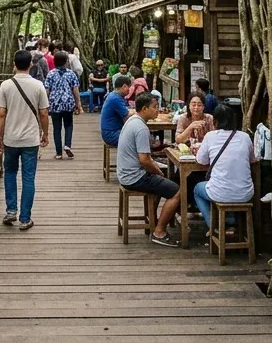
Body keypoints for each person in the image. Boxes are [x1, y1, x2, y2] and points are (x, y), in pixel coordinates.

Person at [0, 49, 49, 230]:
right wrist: (45, 134)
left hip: (10, 139)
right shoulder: (38, 85)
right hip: (30, 140)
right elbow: (43, 113)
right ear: (31, 65)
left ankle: (11, 210)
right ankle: (25, 218)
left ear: (14, 65)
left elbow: (1, 113)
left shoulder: (6, 85)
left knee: (10, 173)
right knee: (28, 177)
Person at [117, 92, 179, 247]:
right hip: (134, 177)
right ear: (144, 109)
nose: (157, 110)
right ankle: (159, 232)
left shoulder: (132, 120)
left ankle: (153, 219)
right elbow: (144, 160)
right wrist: (157, 171)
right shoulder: (141, 128)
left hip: (125, 173)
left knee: (162, 178)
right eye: (155, 107)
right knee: (177, 192)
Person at [193, 102, 255, 233]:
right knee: (230, 185)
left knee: (197, 189)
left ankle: (214, 227)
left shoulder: (210, 137)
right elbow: (252, 159)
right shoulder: (245, 137)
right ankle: (231, 223)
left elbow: (201, 160)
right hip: (245, 193)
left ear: (214, 121)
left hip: (219, 192)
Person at [44, 50, 81, 159]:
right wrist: (78, 104)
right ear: (66, 62)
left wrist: (45, 103)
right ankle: (67, 145)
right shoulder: (71, 74)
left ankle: (59, 153)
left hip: (55, 104)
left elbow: (47, 90)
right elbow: (75, 90)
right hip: (68, 103)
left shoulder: (51, 74)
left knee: (57, 128)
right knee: (68, 125)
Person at [100, 75, 132, 148]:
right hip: (112, 134)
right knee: (137, 137)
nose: (129, 90)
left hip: (112, 131)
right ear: (124, 86)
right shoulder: (116, 98)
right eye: (129, 87)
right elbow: (126, 116)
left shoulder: (114, 95)